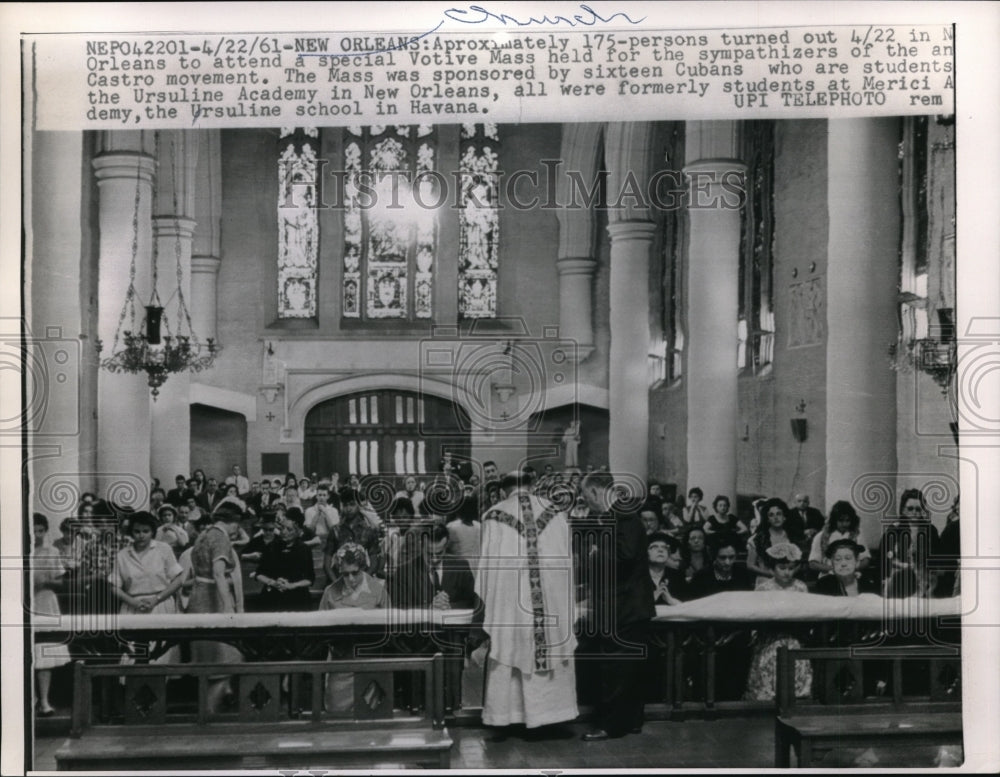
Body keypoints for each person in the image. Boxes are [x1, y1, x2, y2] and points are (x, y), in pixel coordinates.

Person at [477, 471, 578, 735]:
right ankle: (553, 716)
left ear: (503, 490)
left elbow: (486, 567)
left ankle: (506, 718)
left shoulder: (494, 514)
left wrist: (492, 600)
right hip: (551, 600)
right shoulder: (556, 512)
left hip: (512, 603)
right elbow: (567, 560)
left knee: (509, 648)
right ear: (533, 486)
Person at [580, 471, 652, 741]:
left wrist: (596, 550)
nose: (588, 504)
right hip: (626, 605)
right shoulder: (618, 515)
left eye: (588, 498)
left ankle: (610, 726)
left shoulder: (623, 516)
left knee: (616, 668)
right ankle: (630, 721)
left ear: (598, 492)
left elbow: (625, 555)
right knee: (627, 668)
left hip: (625, 606)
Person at [185, 504, 245, 710]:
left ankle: (213, 703)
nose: (237, 529)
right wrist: (229, 608)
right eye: (237, 524)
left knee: (206, 663)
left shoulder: (203, 535)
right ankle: (208, 712)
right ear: (233, 521)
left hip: (197, 598)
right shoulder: (220, 537)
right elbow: (219, 574)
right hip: (212, 600)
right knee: (225, 659)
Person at [743, 543, 813, 700]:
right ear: (772, 568)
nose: (787, 572)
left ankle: (795, 696)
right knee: (769, 657)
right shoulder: (764, 588)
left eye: (791, 568)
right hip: (769, 636)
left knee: (794, 653)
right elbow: (755, 613)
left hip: (793, 635)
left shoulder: (800, 587)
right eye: (782, 568)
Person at [31, 514, 71, 717]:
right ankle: (30, 699)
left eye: (40, 530)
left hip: (44, 602)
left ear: (45, 531)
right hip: (22, 604)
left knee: (42, 652)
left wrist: (43, 582)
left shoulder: (52, 551)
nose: (36, 535)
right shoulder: (15, 551)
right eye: (32, 530)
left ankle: (44, 701)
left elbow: (60, 582)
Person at [879, 488, 941, 599]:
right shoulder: (893, 530)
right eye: (910, 508)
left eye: (918, 509)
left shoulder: (931, 530)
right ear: (903, 509)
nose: (914, 512)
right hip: (899, 581)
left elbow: (937, 559)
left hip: (926, 582)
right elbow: (884, 558)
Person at [252, 509, 315, 611]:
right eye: (283, 528)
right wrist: (273, 582)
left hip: (297, 597)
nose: (284, 532)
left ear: (298, 531)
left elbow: (309, 579)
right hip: (273, 594)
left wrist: (292, 585)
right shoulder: (271, 547)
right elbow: (259, 574)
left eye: (289, 529)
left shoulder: (304, 549)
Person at [324, 488, 385, 582]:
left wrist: (361, 582)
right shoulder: (335, 530)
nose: (348, 509)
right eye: (345, 505)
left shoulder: (368, 530)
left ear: (359, 506)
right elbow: (327, 564)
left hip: (362, 579)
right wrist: (336, 583)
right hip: (339, 579)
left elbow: (374, 563)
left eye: (352, 504)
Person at [808, 500, 871, 577]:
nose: (845, 524)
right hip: (829, 576)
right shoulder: (821, 536)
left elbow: (866, 560)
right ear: (834, 520)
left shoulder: (857, 535)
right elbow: (813, 563)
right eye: (841, 520)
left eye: (848, 520)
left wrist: (851, 568)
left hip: (852, 575)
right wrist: (833, 569)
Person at [746, 498, 800, 581]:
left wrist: (790, 573)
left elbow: (799, 563)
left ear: (784, 517)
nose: (775, 517)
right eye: (771, 515)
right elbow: (750, 565)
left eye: (778, 514)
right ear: (767, 519)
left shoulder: (793, 536)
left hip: (788, 579)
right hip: (766, 580)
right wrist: (771, 574)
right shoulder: (758, 539)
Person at [686, 536, 755, 598]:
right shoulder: (700, 577)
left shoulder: (742, 574)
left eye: (731, 557)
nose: (727, 562)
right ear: (714, 556)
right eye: (722, 558)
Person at [814, 538, 881, 596]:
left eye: (848, 558)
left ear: (857, 561)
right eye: (838, 559)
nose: (843, 563)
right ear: (832, 563)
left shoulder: (868, 585)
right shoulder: (823, 585)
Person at [647, 531, 685, 605]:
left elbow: (690, 607)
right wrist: (649, 601)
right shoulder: (635, 578)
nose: (660, 550)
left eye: (664, 547)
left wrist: (672, 601)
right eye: (654, 547)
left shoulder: (678, 577)